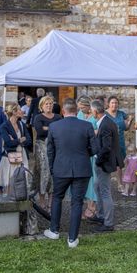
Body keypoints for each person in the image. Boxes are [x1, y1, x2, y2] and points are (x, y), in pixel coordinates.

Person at [44, 98, 96, 249]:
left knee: (57, 198)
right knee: (77, 202)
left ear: (63, 111)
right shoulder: (87, 125)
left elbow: (50, 151)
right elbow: (95, 149)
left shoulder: (54, 126)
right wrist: (84, 155)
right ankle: (72, 239)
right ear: (76, 110)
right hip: (81, 168)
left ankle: (54, 230)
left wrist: (53, 168)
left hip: (61, 168)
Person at [90, 100, 122, 233]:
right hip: (103, 162)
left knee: (105, 192)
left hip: (104, 163)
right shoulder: (105, 122)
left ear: (96, 111)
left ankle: (108, 223)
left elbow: (106, 147)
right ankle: (101, 215)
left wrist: (98, 160)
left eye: (92, 111)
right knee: (97, 187)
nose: (92, 113)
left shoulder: (106, 124)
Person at [32, 95, 62, 207]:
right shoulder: (38, 117)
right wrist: (53, 128)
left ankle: (51, 200)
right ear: (41, 106)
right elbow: (39, 131)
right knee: (43, 173)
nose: (49, 106)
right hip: (41, 148)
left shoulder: (58, 117)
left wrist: (47, 128)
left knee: (53, 173)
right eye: (46, 104)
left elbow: (61, 130)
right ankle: (42, 199)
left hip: (55, 148)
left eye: (50, 103)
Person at [0, 103, 32, 193]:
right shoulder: (4, 126)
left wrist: (16, 140)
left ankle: (21, 199)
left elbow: (29, 141)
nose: (22, 111)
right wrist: (20, 140)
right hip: (10, 157)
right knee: (9, 181)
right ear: (14, 112)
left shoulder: (21, 124)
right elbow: (8, 143)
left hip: (22, 155)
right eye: (19, 109)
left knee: (23, 179)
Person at [75, 96, 98, 218]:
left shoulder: (95, 115)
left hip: (93, 152)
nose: (80, 108)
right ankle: (87, 204)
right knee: (85, 180)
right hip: (82, 152)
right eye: (79, 107)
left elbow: (99, 130)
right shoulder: (79, 114)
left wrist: (92, 132)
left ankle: (92, 206)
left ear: (87, 106)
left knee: (94, 179)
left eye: (82, 106)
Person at [106, 96, 134, 193]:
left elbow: (126, 128)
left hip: (120, 142)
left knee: (119, 165)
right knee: (107, 164)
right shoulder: (105, 114)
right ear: (108, 104)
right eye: (112, 103)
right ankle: (106, 185)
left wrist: (130, 121)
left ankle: (120, 184)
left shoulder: (121, 114)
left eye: (116, 103)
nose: (114, 105)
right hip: (108, 143)